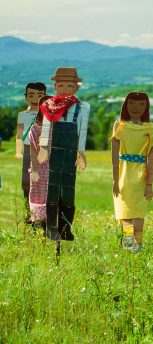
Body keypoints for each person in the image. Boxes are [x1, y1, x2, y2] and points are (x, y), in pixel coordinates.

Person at [37, 67, 90, 241]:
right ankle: (52, 228)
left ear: (77, 87)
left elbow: (82, 131)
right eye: (61, 85)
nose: (65, 89)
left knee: (68, 190)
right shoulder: (48, 106)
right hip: (53, 152)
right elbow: (46, 128)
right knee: (52, 189)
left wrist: (80, 153)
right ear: (54, 86)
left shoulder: (82, 107)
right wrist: (43, 147)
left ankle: (66, 228)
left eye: (69, 85)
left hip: (70, 153)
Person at [111, 92, 153, 253]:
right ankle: (128, 244)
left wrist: (150, 184)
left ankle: (137, 246)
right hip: (123, 175)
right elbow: (114, 156)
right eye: (132, 103)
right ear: (126, 105)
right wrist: (115, 181)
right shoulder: (120, 126)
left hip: (141, 177)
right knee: (124, 210)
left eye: (141, 104)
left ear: (146, 107)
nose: (136, 108)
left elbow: (152, 158)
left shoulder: (151, 129)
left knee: (138, 212)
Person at [16, 82, 46, 221]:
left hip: (43, 151)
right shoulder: (23, 115)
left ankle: (41, 214)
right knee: (26, 182)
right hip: (28, 150)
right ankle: (29, 214)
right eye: (31, 95)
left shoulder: (46, 116)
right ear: (26, 97)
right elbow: (19, 135)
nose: (35, 99)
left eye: (40, 96)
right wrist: (18, 151)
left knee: (42, 183)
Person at [28, 95, 52, 229]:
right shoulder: (35, 128)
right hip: (39, 167)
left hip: (52, 167)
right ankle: (37, 226)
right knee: (38, 195)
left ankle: (50, 226)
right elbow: (32, 151)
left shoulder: (56, 127)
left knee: (50, 196)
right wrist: (35, 170)